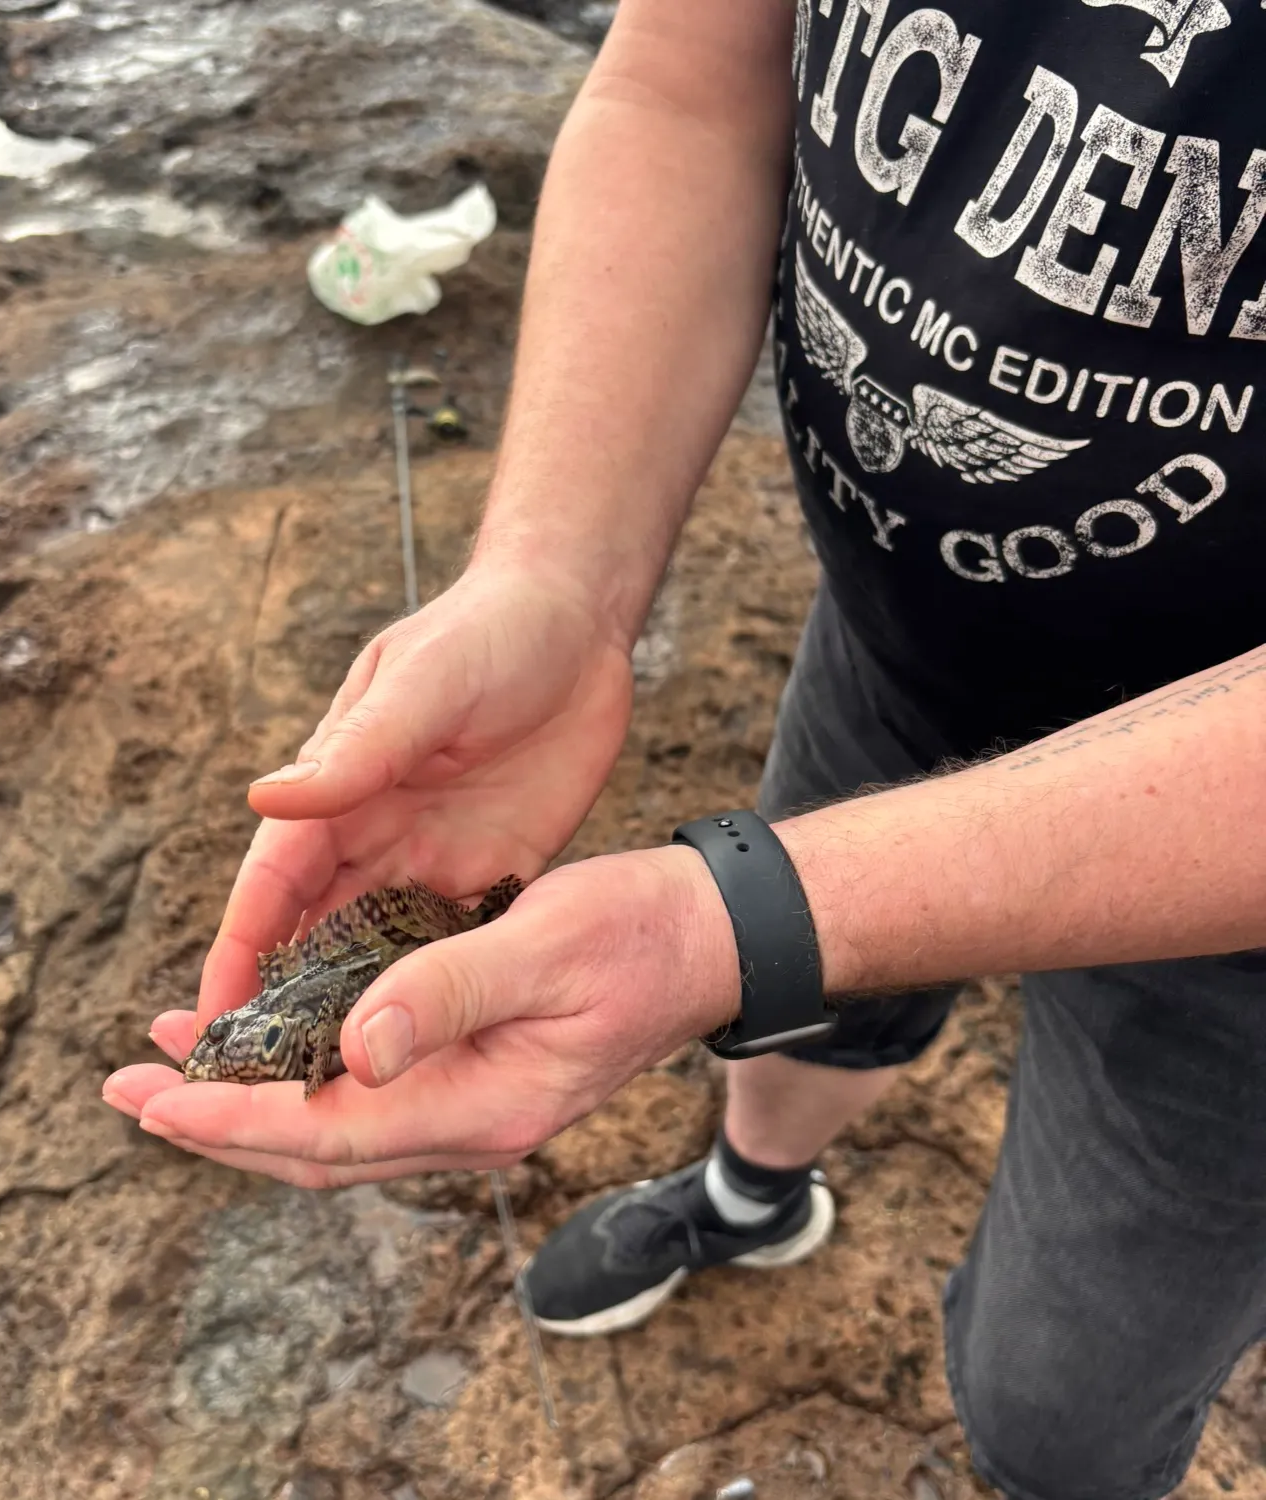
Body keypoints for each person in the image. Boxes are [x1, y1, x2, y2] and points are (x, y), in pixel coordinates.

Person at [102, 1, 1266, 1494]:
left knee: (1057, 1402)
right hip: (899, 642)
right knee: (791, 1022)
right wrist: (554, 580)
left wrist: (743, 918)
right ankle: (751, 1194)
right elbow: (686, 83)